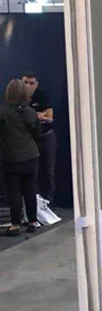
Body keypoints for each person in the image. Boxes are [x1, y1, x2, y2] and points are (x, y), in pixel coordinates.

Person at [1, 78, 41, 235]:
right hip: (31, 156)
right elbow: (38, 134)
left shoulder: (2, 113)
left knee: (14, 191)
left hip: (10, 157)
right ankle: (32, 222)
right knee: (30, 189)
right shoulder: (31, 112)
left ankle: (15, 224)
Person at [22, 72, 56, 204]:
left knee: (49, 170)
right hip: (29, 138)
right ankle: (33, 201)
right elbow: (17, 117)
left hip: (46, 136)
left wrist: (30, 116)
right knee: (31, 171)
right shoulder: (17, 97)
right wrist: (38, 115)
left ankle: (49, 201)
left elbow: (49, 117)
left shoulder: (42, 96)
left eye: (31, 83)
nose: (28, 86)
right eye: (25, 83)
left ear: (36, 84)